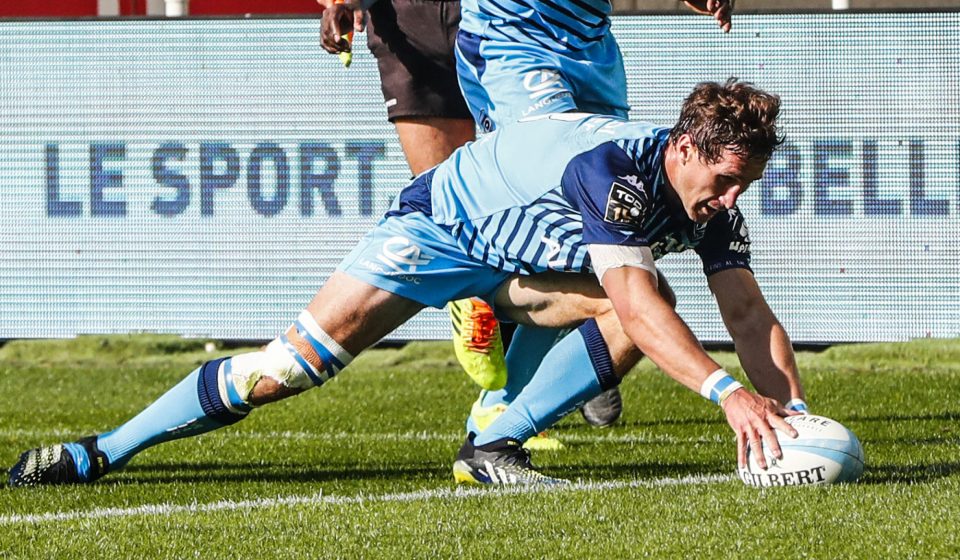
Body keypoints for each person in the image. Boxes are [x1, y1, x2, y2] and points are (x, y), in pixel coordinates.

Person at [9, 79, 807, 488]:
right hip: (438, 234)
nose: (733, 199)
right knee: (281, 373)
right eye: (728, 179)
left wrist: (796, 417)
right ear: (686, 147)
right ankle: (98, 453)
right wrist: (726, 395)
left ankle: (491, 445)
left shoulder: (710, 202)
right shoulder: (619, 172)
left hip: (521, 263)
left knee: (646, 309)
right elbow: (631, 296)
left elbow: (744, 308)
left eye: (748, 183)